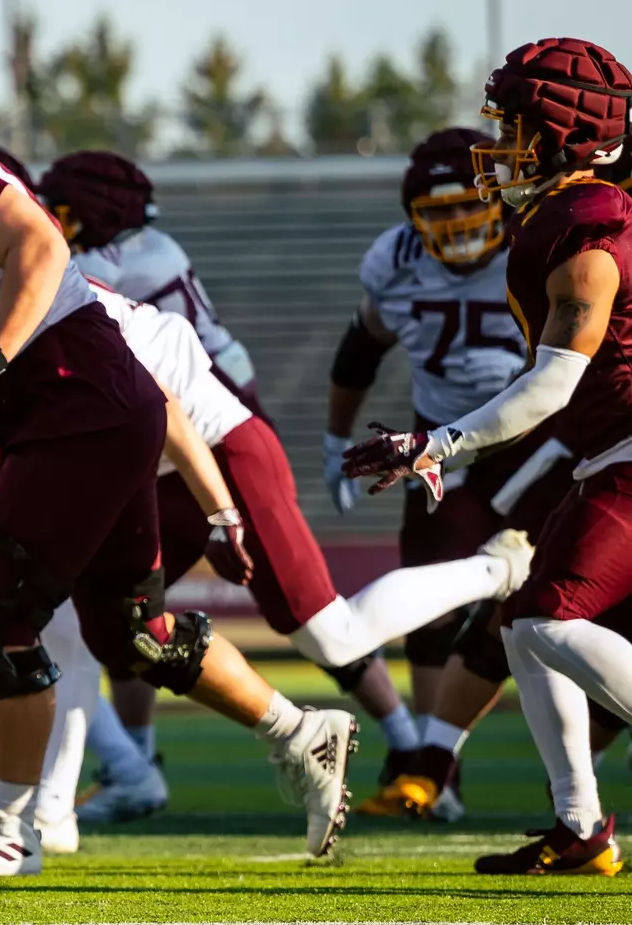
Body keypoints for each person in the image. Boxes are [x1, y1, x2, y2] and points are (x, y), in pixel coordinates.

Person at [0, 136, 355, 876]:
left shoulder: (40, 262)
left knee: (1, 617)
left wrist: (224, 512)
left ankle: (13, 825)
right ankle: (299, 733)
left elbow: (160, 402)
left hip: (86, 418)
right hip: (74, 422)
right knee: (140, 633)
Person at [31, 278, 533, 851]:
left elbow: (161, 402)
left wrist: (218, 511)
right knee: (84, 619)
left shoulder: (31, 278)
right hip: (148, 469)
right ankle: (51, 808)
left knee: (334, 636)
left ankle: (500, 569)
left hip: (214, 449)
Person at [344, 37, 632, 876]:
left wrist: (436, 443)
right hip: (605, 451)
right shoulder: (571, 214)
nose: (495, 147)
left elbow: (549, 388)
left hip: (623, 450)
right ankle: (579, 828)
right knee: (524, 625)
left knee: (548, 618)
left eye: (511, 127)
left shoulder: (587, 232)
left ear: (561, 132)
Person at [322, 128, 567, 814]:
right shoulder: (394, 262)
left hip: (541, 441)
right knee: (433, 615)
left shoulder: (541, 241)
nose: (457, 228)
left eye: (468, 209)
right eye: (438, 215)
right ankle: (432, 779)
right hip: (437, 450)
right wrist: (335, 437)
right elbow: (360, 349)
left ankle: (554, 777)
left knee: (545, 604)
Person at [41, 151, 263, 413]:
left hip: (203, 374)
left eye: (65, 215)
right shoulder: (156, 242)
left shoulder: (107, 265)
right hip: (220, 359)